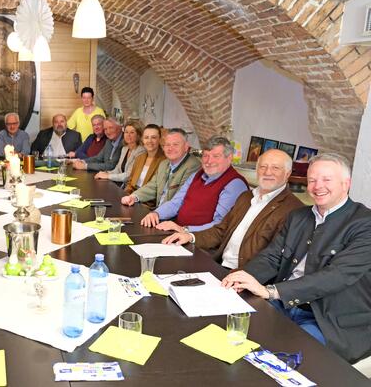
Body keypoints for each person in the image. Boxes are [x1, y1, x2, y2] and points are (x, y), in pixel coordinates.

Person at [221, 153, 371, 364]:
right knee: (229, 333)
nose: (318, 186)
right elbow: (272, 257)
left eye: (326, 180)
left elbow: (337, 276)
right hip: (283, 304)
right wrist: (241, 276)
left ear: (346, 184)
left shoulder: (365, 224)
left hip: (327, 319)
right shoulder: (299, 216)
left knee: (282, 363)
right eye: (312, 180)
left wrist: (271, 291)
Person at [162, 149, 304, 269]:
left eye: (275, 168)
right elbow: (220, 230)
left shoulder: (293, 209)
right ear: (257, 170)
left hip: (244, 276)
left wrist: (242, 276)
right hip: (218, 263)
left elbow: (274, 258)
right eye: (263, 167)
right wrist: (190, 236)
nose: (267, 172)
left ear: (287, 174)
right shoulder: (246, 196)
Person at [140, 135, 248, 232]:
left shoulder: (234, 184)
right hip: (178, 232)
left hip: (201, 243)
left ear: (229, 158)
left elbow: (219, 225)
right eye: (206, 156)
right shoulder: (197, 175)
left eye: (216, 156)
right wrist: (156, 214)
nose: (209, 161)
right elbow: (176, 203)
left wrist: (184, 230)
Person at [121, 128, 200, 209]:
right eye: (167, 145)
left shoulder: (193, 166)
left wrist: (156, 214)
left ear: (186, 147)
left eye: (175, 144)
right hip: (157, 211)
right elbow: (152, 186)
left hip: (172, 217)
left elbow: (178, 200)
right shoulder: (164, 163)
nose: (170, 148)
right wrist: (133, 197)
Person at [123, 124, 166, 194]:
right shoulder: (140, 157)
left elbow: (156, 190)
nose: (149, 141)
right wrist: (125, 194)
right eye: (146, 137)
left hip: (147, 201)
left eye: (154, 137)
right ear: (142, 139)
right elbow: (130, 182)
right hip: (131, 196)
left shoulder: (164, 161)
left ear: (160, 139)